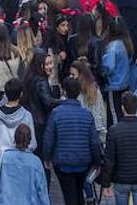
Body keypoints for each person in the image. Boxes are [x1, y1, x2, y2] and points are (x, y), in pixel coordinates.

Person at [43, 77, 102, 205]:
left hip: (63, 162)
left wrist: (46, 158)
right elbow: (94, 142)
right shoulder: (87, 114)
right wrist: (97, 161)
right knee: (79, 192)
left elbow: (49, 138)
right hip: (83, 162)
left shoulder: (56, 113)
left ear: (64, 92)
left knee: (69, 195)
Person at [100, 92, 137, 205]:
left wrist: (106, 183)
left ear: (122, 108)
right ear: (136, 108)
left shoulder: (114, 131)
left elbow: (109, 159)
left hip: (121, 180)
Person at [0, 125, 50, 205]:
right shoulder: (36, 163)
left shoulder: (0, 159)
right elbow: (42, 193)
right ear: (30, 139)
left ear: (15, 137)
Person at [22, 52, 60, 156]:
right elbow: (48, 101)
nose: (50, 67)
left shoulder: (30, 78)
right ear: (40, 66)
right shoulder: (41, 81)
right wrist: (64, 101)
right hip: (41, 122)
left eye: (51, 63)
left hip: (31, 119)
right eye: (47, 64)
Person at [100, 17, 134, 127]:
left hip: (114, 85)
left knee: (114, 115)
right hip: (125, 84)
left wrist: (103, 71)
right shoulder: (126, 44)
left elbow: (109, 67)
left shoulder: (112, 46)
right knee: (122, 112)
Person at [0, 78, 37, 152]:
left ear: (5, 93)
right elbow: (32, 144)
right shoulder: (27, 116)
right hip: (21, 158)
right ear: (21, 94)